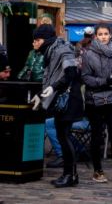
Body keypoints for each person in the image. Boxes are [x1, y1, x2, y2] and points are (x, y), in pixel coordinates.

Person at [29, 24, 83, 188]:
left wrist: (52, 88)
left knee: (64, 137)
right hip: (64, 100)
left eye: (36, 40)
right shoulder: (52, 51)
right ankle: (69, 174)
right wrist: (42, 95)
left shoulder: (61, 49)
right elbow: (54, 77)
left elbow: (71, 73)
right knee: (62, 135)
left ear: (44, 40)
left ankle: (70, 175)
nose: (34, 43)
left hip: (68, 100)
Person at [81, 24, 112, 183]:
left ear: (110, 35)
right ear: (95, 36)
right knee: (97, 136)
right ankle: (98, 171)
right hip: (94, 99)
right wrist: (104, 81)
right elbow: (85, 77)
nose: (103, 37)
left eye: (106, 34)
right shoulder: (88, 54)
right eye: (100, 34)